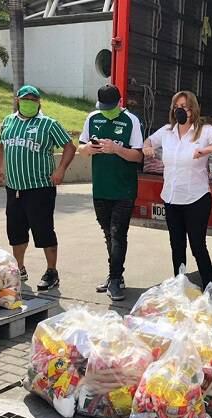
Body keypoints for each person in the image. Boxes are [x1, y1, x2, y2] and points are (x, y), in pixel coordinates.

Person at [142, 91, 212, 288]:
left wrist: (207, 150)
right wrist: (147, 147)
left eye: (184, 107)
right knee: (177, 246)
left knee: (197, 246)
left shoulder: (205, 131)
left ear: (193, 109)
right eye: (176, 107)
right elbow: (149, 141)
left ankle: (209, 287)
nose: (180, 111)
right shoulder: (167, 132)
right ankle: (180, 287)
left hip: (196, 198)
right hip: (171, 198)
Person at [0, 85, 76, 291]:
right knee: (15, 231)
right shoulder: (8, 121)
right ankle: (19, 268)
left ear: (39, 102)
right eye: (25, 99)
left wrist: (60, 170)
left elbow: (69, 146)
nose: (28, 102)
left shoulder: (48, 124)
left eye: (33, 99)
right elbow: (2, 145)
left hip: (40, 188)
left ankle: (51, 271)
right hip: (14, 188)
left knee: (43, 230)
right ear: (18, 100)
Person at [78, 84, 144, 301]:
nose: (106, 111)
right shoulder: (93, 118)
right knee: (108, 233)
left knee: (118, 233)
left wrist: (116, 149)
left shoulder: (131, 121)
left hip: (124, 189)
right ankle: (115, 274)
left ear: (120, 102)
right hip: (101, 188)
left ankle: (115, 279)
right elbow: (81, 148)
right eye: (103, 107)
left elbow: (138, 156)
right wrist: (88, 149)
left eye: (110, 107)